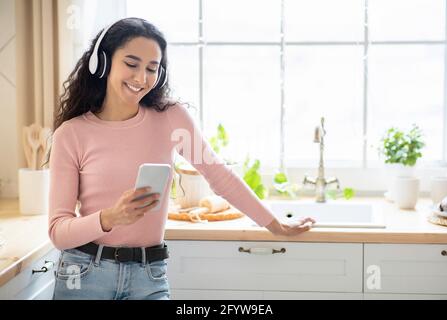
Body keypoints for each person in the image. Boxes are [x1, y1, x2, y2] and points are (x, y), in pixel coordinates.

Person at [47, 17, 315, 300]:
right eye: (131, 63)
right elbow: (58, 232)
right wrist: (109, 217)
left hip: (148, 275)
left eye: (152, 68)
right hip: (84, 274)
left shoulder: (170, 118)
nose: (141, 78)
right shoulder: (72, 134)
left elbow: (219, 175)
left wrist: (275, 224)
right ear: (102, 63)